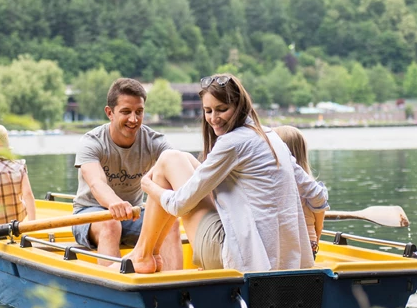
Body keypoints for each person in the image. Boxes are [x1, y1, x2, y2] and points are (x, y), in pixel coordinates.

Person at [127, 73, 328, 274]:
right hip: (286, 261)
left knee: (168, 159)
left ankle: (144, 255)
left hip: (240, 258)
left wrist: (148, 186)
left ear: (239, 106)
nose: (213, 118)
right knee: (184, 159)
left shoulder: (232, 142)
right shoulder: (270, 136)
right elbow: (318, 197)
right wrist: (312, 237)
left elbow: (179, 205)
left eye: (222, 109)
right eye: (208, 111)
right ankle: (145, 254)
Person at [71, 78, 180, 267]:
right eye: (126, 112)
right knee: (111, 224)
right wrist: (115, 203)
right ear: (109, 113)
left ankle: (178, 287)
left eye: (139, 112)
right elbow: (97, 183)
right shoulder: (91, 142)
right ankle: (113, 289)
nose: (133, 119)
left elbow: (177, 167)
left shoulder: (155, 141)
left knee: (171, 224)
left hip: (134, 214)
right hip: (90, 214)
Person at [274, 125, 326, 257]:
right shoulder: (311, 186)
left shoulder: (273, 184)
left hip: (283, 244)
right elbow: (319, 223)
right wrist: (316, 237)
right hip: (310, 243)